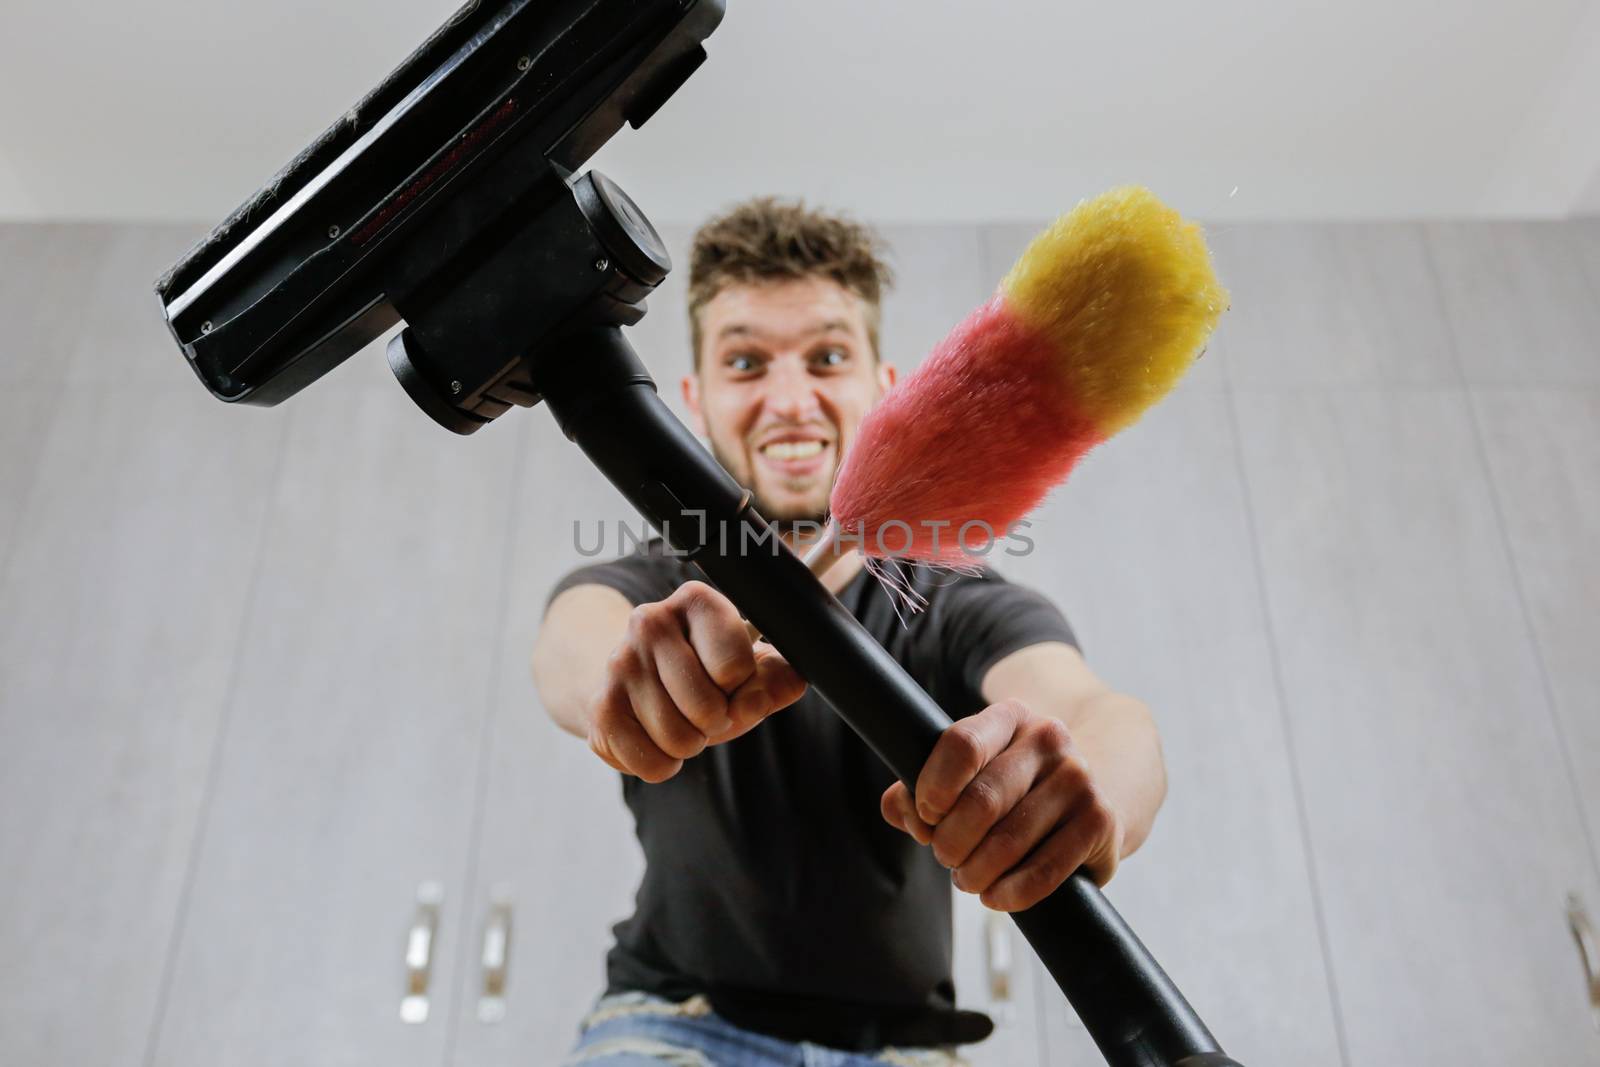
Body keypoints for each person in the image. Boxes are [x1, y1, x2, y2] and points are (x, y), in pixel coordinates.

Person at [532, 199, 1168, 1066]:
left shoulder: (953, 602)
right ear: (696, 402)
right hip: (666, 1027)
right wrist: (627, 678)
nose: (790, 401)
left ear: (883, 387)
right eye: (747, 362)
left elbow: (1102, 716)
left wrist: (1082, 786)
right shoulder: (652, 581)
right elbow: (574, 640)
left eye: (827, 357)